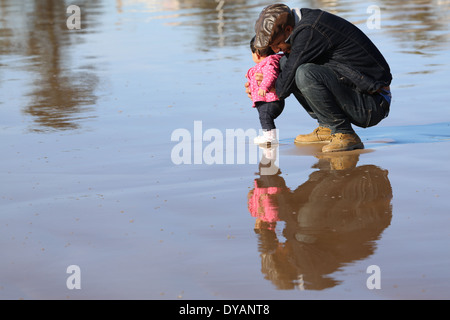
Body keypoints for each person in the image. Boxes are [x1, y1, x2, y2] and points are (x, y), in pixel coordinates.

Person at [246, 4, 392, 152]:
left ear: (288, 30)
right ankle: (327, 126)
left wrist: (264, 88)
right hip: (359, 92)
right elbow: (284, 71)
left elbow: (283, 86)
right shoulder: (302, 23)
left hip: (373, 103)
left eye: (277, 44)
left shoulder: (309, 30)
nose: (276, 50)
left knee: (304, 72)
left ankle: (344, 133)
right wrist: (263, 82)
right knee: (285, 63)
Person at [246, 36, 285, 145]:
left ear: (257, 54)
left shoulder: (269, 62)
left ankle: (270, 138)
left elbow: (270, 75)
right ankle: (268, 136)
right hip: (266, 100)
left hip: (271, 100)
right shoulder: (263, 64)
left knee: (265, 117)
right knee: (264, 118)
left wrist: (264, 87)